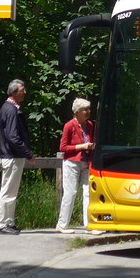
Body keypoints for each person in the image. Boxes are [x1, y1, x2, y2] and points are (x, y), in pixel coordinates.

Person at [0, 79, 34, 234]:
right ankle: (1, 224)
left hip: (13, 156)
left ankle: (9, 222)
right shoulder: (10, 110)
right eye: (21, 90)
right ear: (13, 92)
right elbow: (12, 137)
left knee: (12, 192)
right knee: (7, 191)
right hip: (12, 156)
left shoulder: (10, 108)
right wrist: (28, 153)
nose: (25, 92)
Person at [57, 97, 95, 232]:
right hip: (71, 163)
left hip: (87, 162)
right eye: (85, 109)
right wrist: (81, 146)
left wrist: (92, 146)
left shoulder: (91, 125)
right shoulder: (69, 125)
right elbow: (63, 147)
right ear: (77, 112)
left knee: (88, 193)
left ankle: (89, 224)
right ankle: (62, 225)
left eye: (89, 109)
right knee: (71, 192)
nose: (88, 111)